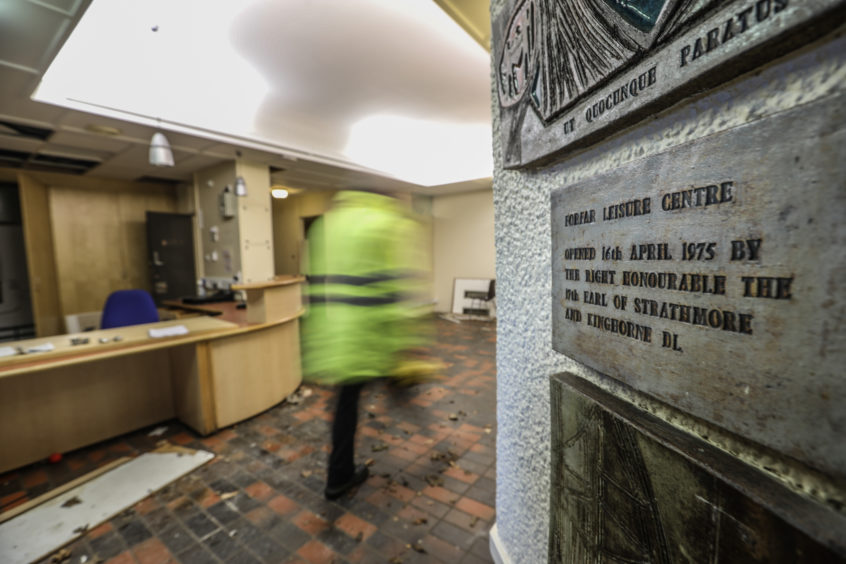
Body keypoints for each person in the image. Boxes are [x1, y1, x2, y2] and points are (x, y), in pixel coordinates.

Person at [302, 189, 426, 500]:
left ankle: (338, 475)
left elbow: (315, 289)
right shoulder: (386, 223)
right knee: (399, 389)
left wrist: (318, 344)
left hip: (338, 339)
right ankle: (429, 434)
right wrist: (406, 344)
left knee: (346, 409)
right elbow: (394, 289)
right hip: (373, 337)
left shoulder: (325, 225)